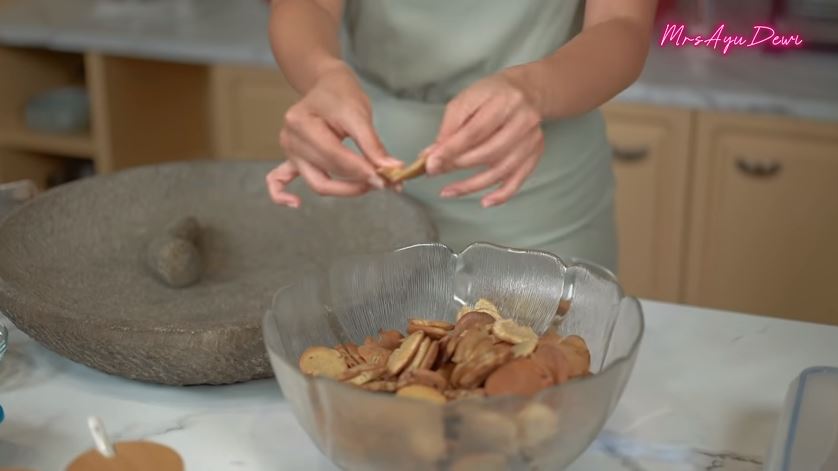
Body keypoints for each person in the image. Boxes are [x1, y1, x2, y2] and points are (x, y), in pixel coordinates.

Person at [265, 0, 657, 273]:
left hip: (540, 198)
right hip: (366, 182)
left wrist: (535, 89)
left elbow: (622, 23)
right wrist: (321, 74)